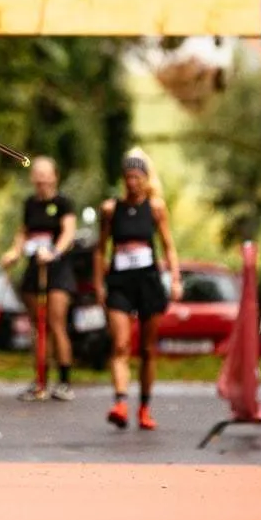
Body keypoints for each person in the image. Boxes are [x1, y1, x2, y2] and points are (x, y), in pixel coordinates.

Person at [93, 147, 181, 430]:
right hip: (120, 281)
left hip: (148, 280)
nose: (132, 182)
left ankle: (144, 407)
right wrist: (99, 284)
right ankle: (120, 403)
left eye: (137, 177)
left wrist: (176, 278)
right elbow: (99, 250)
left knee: (147, 349)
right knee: (120, 344)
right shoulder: (110, 209)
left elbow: (168, 246)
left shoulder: (155, 209)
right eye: (128, 177)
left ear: (145, 179)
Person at [0, 156, 78, 401]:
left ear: (55, 177)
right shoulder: (30, 204)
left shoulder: (63, 203)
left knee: (55, 322)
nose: (42, 179)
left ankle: (64, 381)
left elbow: (68, 234)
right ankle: (40, 380)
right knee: (38, 327)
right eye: (38, 174)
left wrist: (53, 252)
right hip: (35, 269)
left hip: (57, 269)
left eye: (46, 174)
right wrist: (14, 253)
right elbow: (23, 234)